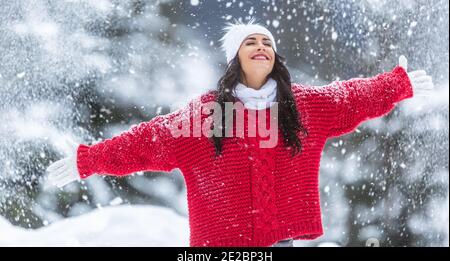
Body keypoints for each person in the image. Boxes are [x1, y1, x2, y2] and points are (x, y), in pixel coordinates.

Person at [46, 18, 434, 247]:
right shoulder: (206, 115)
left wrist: (396, 85)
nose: (261, 46)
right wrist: (88, 160)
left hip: (281, 240)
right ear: (236, 57)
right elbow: (146, 141)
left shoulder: (300, 107)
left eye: (267, 41)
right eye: (251, 41)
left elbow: (349, 97)